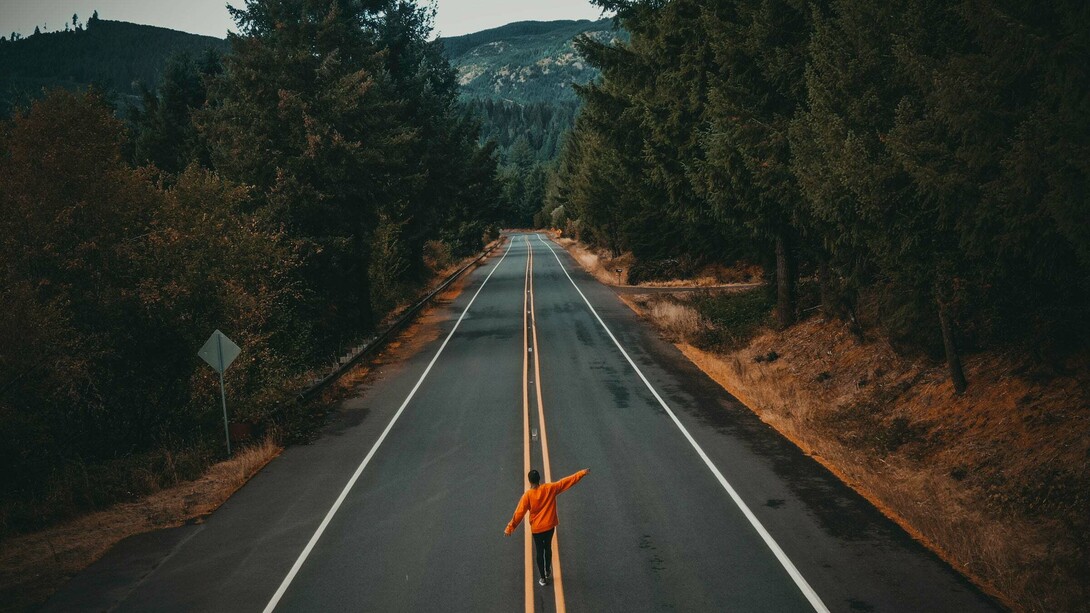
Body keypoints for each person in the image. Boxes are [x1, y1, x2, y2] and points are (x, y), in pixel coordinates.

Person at [504, 468, 589, 586]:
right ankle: (548, 569)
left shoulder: (527, 496)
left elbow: (519, 513)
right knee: (547, 547)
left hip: (537, 529)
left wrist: (510, 527)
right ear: (539, 479)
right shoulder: (550, 488)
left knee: (539, 551)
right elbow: (566, 482)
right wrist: (582, 473)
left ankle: (543, 578)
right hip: (549, 526)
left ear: (530, 481)